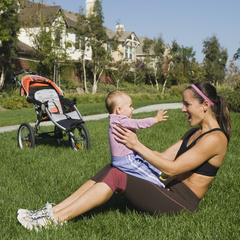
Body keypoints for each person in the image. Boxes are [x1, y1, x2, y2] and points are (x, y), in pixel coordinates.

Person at [17, 82, 231, 232]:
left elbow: (172, 169)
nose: (183, 109)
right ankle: (52, 211)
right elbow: (163, 157)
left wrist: (136, 145)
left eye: (187, 104)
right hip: (167, 189)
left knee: (118, 177)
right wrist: (131, 149)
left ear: (205, 105)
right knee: (113, 168)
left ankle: (55, 220)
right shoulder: (194, 133)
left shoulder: (215, 139)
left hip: (180, 202)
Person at [105, 90, 168, 187]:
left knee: (147, 161)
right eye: (130, 106)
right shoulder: (119, 120)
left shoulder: (115, 120)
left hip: (130, 155)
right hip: (125, 160)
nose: (132, 109)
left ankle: (159, 177)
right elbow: (137, 123)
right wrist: (155, 120)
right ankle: (161, 186)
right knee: (143, 173)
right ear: (119, 110)